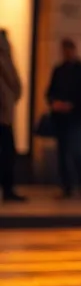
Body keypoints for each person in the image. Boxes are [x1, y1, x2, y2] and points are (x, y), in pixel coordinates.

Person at [45, 38, 81, 199]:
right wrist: (55, 103)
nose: (66, 54)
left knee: (75, 150)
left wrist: (73, 105)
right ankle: (67, 187)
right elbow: (50, 92)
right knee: (62, 152)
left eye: (68, 50)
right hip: (61, 118)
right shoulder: (59, 70)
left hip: (76, 117)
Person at [0, 30, 26, 202]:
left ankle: (8, 189)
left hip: (4, 112)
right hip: (3, 114)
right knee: (7, 152)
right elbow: (15, 84)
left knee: (7, 152)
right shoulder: (4, 59)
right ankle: (8, 190)